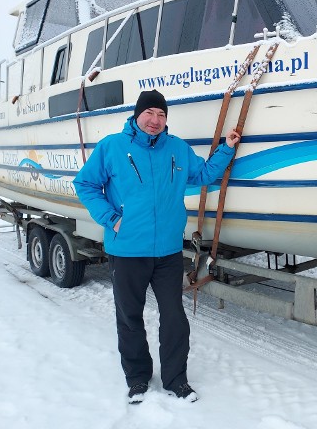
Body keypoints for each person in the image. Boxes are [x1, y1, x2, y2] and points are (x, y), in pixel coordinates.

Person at [73, 89, 239, 405]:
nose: (155, 120)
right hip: (127, 250)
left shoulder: (176, 148)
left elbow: (203, 175)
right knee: (129, 316)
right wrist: (111, 218)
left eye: (161, 115)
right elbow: (85, 184)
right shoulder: (112, 147)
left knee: (174, 316)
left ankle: (176, 380)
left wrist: (226, 149)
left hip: (167, 251)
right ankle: (137, 378)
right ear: (138, 116)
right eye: (149, 113)